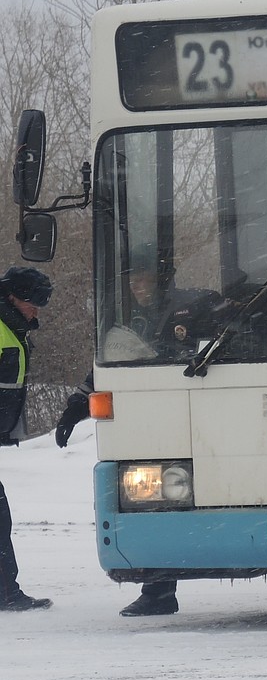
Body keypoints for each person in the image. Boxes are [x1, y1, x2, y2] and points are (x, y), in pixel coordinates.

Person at [55, 250, 182, 617]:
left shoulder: (184, 312)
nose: (137, 287)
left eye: (143, 279)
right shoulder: (132, 319)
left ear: (160, 280)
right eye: (132, 280)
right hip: (145, 420)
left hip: (178, 414)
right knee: (156, 499)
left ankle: (160, 589)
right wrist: (75, 408)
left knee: (164, 499)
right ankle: (159, 590)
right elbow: (108, 366)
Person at [0, 266, 54, 611]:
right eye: (31, 302)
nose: (35, 310)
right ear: (11, 298)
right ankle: (6, 593)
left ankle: (6, 591)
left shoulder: (13, 329)